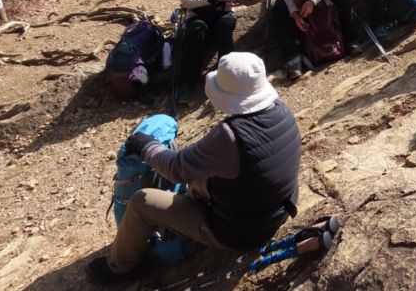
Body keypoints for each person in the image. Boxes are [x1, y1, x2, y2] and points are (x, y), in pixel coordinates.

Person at [86, 52, 302, 285]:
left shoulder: (229, 138)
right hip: (278, 210)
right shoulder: (282, 110)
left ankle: (120, 267)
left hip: (239, 233)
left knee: (142, 202)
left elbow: (175, 169)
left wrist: (147, 146)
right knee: (203, 177)